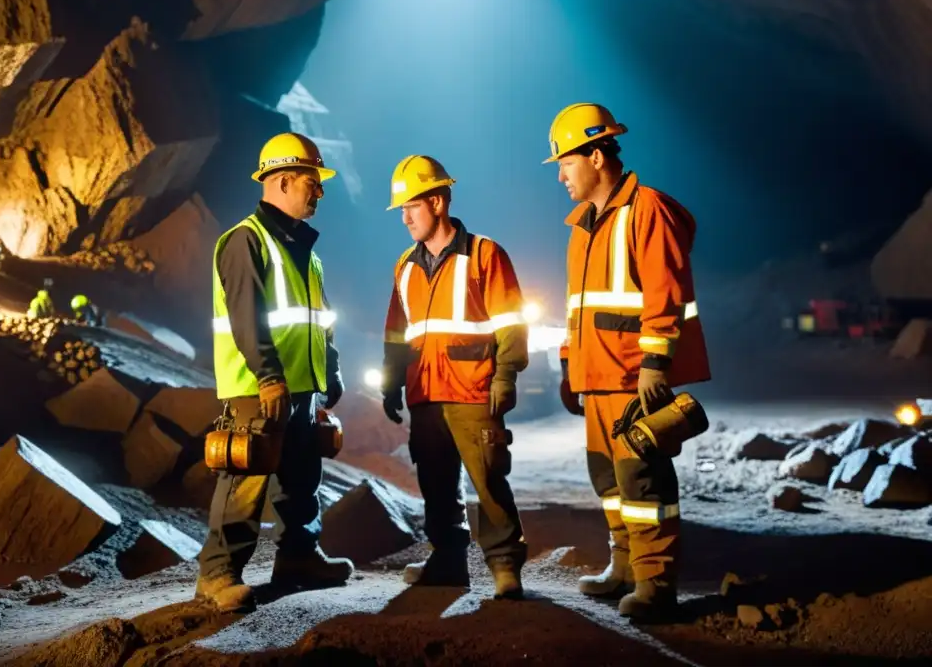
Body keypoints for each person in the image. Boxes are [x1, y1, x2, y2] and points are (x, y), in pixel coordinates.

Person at [545, 103, 711, 620]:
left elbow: (667, 295)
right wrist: (571, 367)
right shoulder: (583, 226)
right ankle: (625, 568)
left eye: (566, 164)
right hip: (596, 376)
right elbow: (577, 307)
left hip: (632, 376)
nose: (561, 177)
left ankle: (656, 582)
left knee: (643, 479)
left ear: (596, 155)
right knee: (608, 480)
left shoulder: (648, 210)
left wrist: (656, 366)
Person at [196, 132, 353, 613]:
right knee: (246, 476)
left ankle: (298, 559)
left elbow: (318, 322)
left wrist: (330, 372)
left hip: (303, 387)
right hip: (258, 388)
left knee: (301, 479)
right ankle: (218, 575)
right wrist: (268, 376)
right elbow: (248, 317)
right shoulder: (246, 241)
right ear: (283, 181)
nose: (320, 192)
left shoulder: (307, 253)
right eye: (313, 182)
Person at [382, 154, 529, 599]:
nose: (405, 217)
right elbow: (396, 332)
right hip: (425, 394)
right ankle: (447, 561)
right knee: (436, 484)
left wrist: (505, 376)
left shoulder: (485, 254)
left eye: (412, 206)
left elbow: (511, 324)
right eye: (402, 209)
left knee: (488, 480)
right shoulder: (404, 266)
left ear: (439, 202)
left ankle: (505, 565)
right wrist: (392, 381)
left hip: (473, 391)